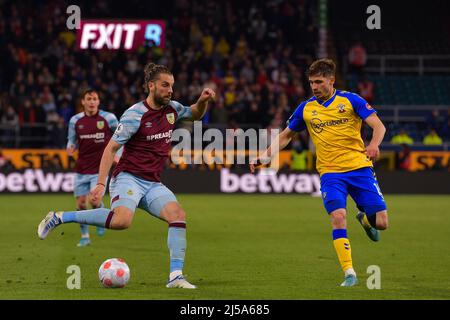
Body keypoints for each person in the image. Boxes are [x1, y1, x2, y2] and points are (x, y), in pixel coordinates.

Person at [38, 63, 216, 289]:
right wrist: (101, 183)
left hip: (152, 182)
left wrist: (202, 100)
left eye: (171, 85)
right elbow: (110, 149)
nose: (170, 90)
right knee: (122, 221)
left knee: (178, 215)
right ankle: (60, 217)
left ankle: (175, 277)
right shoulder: (134, 115)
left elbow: (195, 114)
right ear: (151, 86)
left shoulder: (172, 109)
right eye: (164, 85)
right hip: (128, 178)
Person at [251, 58, 389, 287]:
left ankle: (365, 220)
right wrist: (264, 156)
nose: (314, 87)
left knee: (382, 223)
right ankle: (349, 273)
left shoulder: (351, 100)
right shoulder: (306, 108)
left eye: (318, 82)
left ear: (331, 80)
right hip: (330, 174)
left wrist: (374, 144)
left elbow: (378, 125)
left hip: (360, 168)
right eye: (311, 83)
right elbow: (286, 135)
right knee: (338, 216)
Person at [66, 89, 119, 247]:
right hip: (81, 168)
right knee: (81, 204)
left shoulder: (109, 118)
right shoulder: (75, 120)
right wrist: (70, 147)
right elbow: (71, 140)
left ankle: (100, 217)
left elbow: (121, 137)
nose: (91, 102)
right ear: (83, 102)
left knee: (94, 201)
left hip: (99, 169)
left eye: (94, 99)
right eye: (88, 99)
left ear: (98, 101)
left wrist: (118, 155)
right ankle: (85, 236)